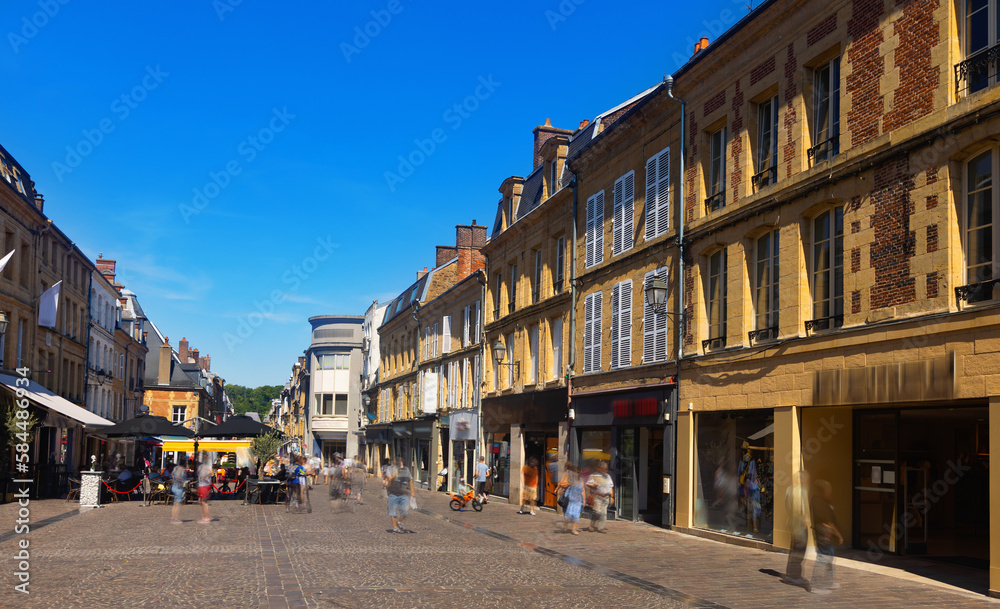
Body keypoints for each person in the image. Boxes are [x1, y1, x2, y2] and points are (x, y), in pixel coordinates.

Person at [810, 479, 842, 594]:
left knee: (829, 557)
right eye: (829, 490)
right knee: (823, 558)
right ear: (823, 491)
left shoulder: (822, 501)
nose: (830, 492)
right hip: (823, 534)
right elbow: (827, 522)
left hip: (825, 534)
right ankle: (815, 585)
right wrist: (838, 535)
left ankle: (829, 582)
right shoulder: (819, 502)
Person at [782, 470, 811, 588]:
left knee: (794, 549)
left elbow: (786, 506)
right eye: (805, 478)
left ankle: (790, 574)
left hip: (792, 522)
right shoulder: (801, 491)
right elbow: (801, 509)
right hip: (799, 524)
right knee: (799, 551)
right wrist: (805, 520)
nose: (807, 480)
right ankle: (795, 576)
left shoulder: (789, 489)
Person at [384, 456, 415, 533]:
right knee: (393, 511)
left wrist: (413, 492)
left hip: (404, 493)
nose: (400, 463)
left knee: (405, 511)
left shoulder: (406, 469)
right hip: (393, 493)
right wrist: (396, 470)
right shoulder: (390, 469)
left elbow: (410, 480)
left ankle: (399, 521)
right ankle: (395, 527)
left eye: (401, 461)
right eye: (398, 461)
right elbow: (390, 478)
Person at [586, 460, 614, 533]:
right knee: (597, 512)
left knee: (604, 513)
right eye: (604, 469)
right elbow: (588, 483)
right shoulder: (594, 475)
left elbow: (610, 487)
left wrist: (612, 497)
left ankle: (601, 528)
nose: (605, 471)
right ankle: (592, 524)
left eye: (606, 469)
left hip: (606, 497)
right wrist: (594, 484)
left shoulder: (608, 476)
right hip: (598, 497)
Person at [558, 462, 584, 535]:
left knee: (576, 515)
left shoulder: (581, 480)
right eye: (577, 472)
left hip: (578, 501)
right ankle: (565, 526)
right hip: (571, 500)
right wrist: (569, 484)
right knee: (568, 515)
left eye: (579, 472)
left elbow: (583, 490)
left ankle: (574, 529)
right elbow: (562, 484)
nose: (578, 474)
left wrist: (584, 500)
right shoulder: (571, 479)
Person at [196, 457, 213, 524]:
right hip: (202, 485)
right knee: (200, 501)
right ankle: (205, 516)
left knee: (204, 501)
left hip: (204, 485)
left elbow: (211, 472)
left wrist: (205, 476)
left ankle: (207, 517)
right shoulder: (201, 467)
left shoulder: (207, 466)